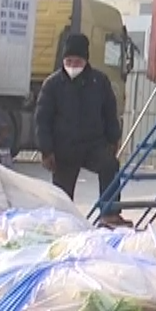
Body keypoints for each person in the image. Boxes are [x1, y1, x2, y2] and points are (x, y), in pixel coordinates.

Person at [33, 33, 126, 227]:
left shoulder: (99, 82)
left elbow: (110, 113)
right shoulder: (52, 85)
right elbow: (42, 119)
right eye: (69, 61)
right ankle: (63, 222)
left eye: (77, 62)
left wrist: (114, 139)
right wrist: (46, 150)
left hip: (93, 146)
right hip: (64, 149)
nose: (72, 66)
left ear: (85, 60)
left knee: (110, 165)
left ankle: (110, 213)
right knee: (62, 198)